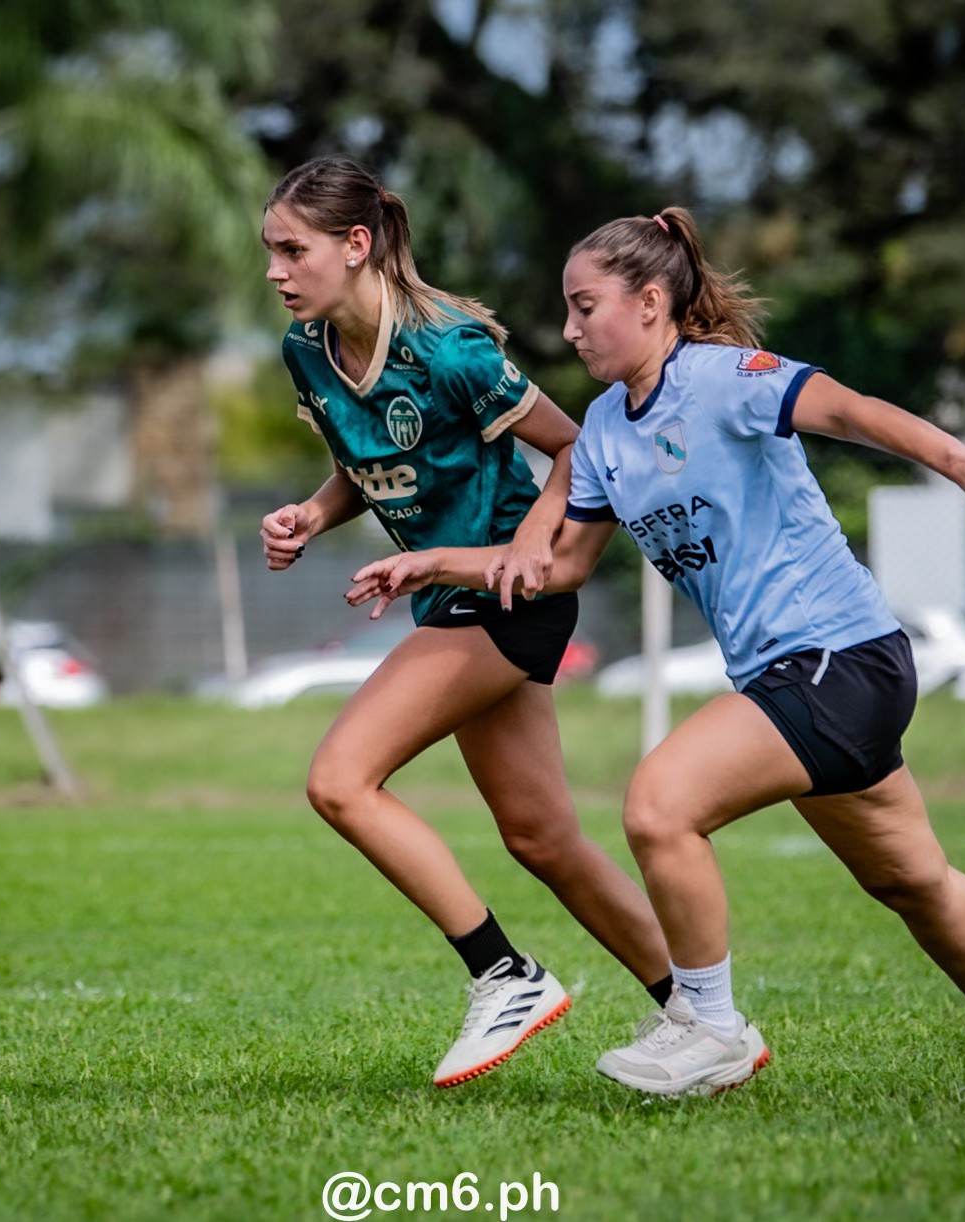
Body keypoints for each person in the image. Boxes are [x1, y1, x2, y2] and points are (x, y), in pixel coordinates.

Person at [346, 206, 965, 1099]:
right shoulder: (605, 433)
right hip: (799, 677)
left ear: (652, 300)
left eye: (585, 308)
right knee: (912, 880)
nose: (568, 329)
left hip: (837, 655)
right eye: (567, 310)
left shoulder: (722, 378)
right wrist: (431, 562)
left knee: (660, 804)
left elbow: (846, 410)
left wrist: (954, 459)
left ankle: (707, 1027)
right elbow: (559, 566)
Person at [257, 156, 672, 1089]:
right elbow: (364, 469)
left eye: (294, 249)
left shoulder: (448, 349)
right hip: (449, 596)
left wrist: (526, 542)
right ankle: (697, 1012)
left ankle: (504, 975)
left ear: (356, 245)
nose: (277, 271)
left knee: (339, 780)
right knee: (542, 839)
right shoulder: (306, 349)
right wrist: (309, 517)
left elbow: (574, 444)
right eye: (270, 253)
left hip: (499, 596)